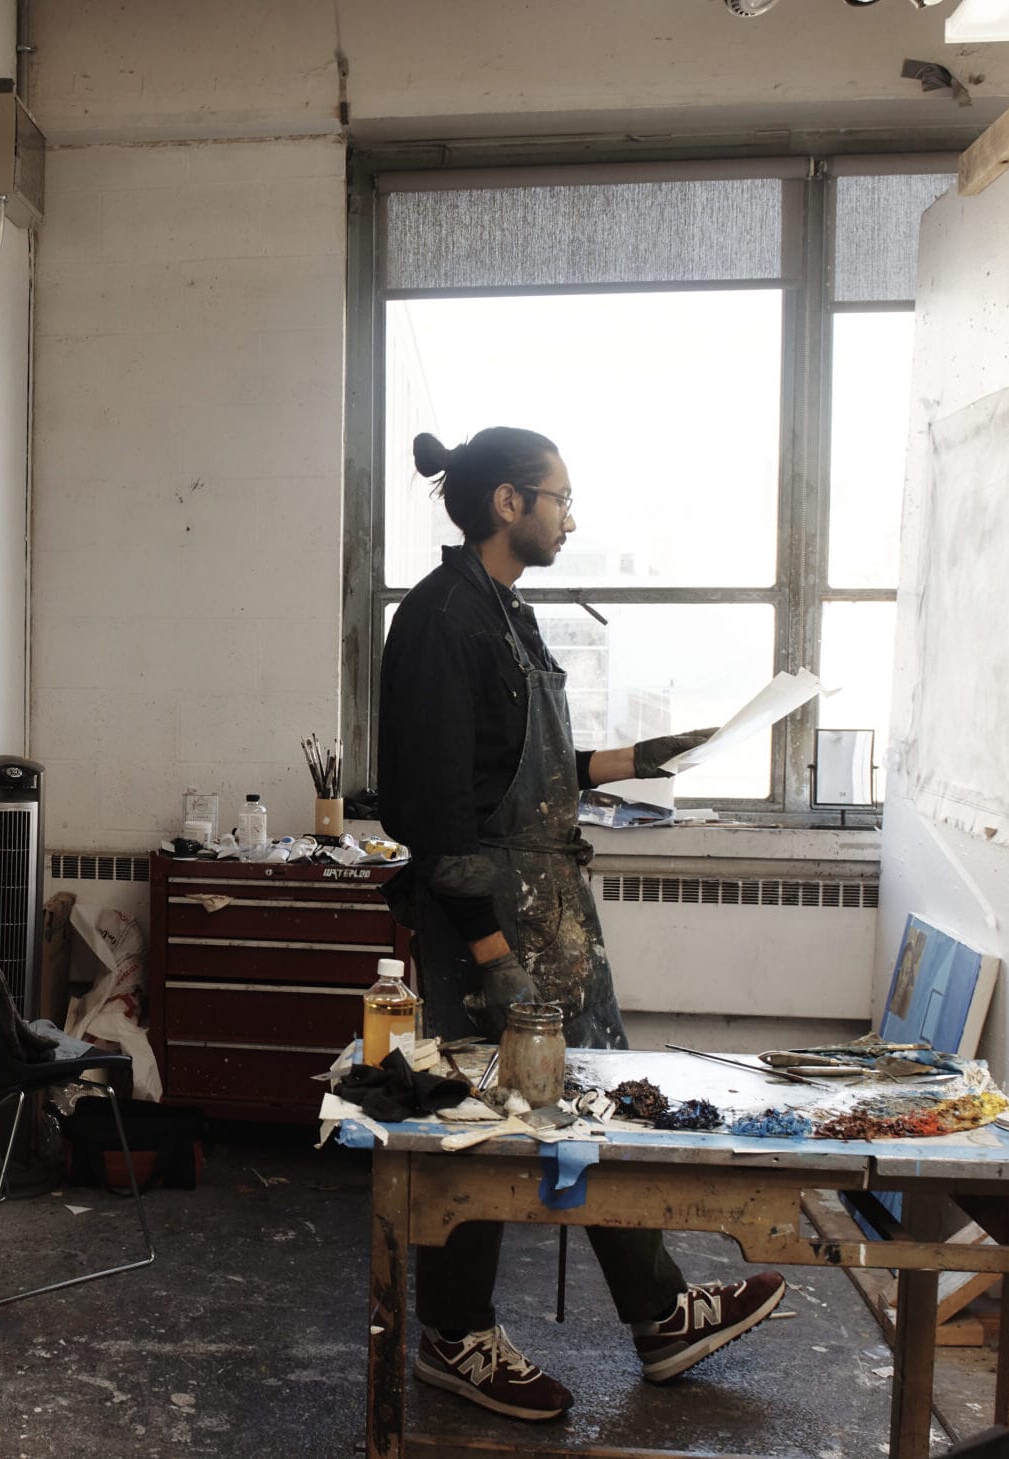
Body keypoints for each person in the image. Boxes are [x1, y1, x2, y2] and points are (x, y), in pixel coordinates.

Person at [377, 426, 787, 1423]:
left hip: (544, 904)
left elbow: (523, 769)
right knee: (485, 1124)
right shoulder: (442, 621)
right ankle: (453, 1335)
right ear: (508, 502)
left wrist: (646, 757)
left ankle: (659, 1313)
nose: (568, 516)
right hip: (489, 919)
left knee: (585, 1106)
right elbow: (438, 813)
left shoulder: (506, 611)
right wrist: (491, 958)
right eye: (560, 497)